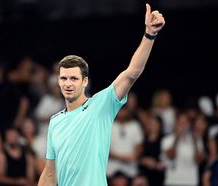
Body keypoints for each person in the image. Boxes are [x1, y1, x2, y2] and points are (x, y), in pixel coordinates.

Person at [37, 3, 165, 186]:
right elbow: (49, 174)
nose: (68, 84)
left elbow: (132, 72)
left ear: (85, 81)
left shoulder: (100, 105)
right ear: (58, 81)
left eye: (74, 78)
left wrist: (150, 34)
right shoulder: (55, 121)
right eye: (64, 78)